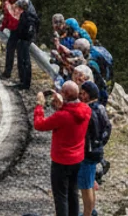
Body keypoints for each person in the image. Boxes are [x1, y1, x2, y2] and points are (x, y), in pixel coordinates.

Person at [33, 81, 91, 216]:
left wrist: (39, 106)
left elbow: (39, 125)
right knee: (73, 193)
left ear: (64, 94)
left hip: (61, 161)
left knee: (60, 196)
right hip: (77, 159)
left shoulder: (62, 116)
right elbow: (73, 110)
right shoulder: (86, 110)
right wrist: (62, 104)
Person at [79, 80, 110, 216]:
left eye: (82, 93)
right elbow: (108, 129)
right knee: (91, 183)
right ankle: (92, 212)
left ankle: (87, 213)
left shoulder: (88, 111)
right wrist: (100, 143)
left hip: (88, 153)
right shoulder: (101, 108)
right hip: (97, 150)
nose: (80, 95)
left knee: (86, 188)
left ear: (87, 95)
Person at [12, 0, 39, 90]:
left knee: (24, 61)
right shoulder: (30, 15)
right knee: (23, 61)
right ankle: (23, 81)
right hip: (25, 40)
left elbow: (24, 29)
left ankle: (24, 83)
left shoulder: (27, 16)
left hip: (24, 40)